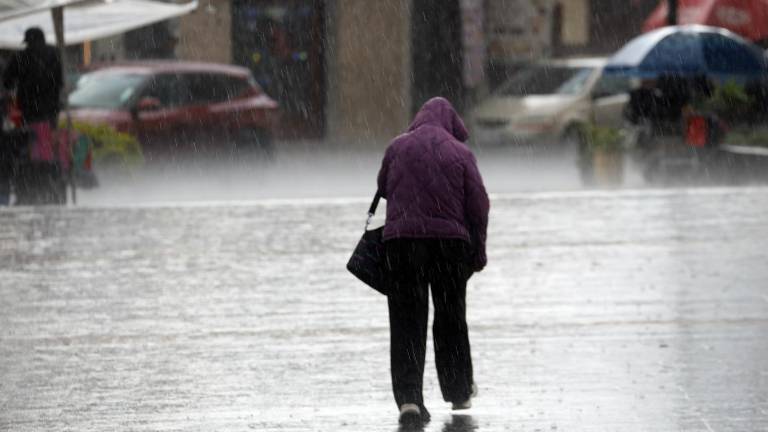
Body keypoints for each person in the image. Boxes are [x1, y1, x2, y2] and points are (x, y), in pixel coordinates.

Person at [376, 97, 489, 426]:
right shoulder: (461, 153)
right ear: (451, 124)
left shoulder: (397, 147)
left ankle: (409, 399)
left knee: (406, 322)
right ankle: (458, 390)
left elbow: (383, 187)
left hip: (402, 245)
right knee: (450, 319)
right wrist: (478, 250)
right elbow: (479, 206)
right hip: (448, 247)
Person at [2, 27, 65, 205]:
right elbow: (60, 81)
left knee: (30, 146)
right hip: (50, 111)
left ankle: (32, 179)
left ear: (29, 41)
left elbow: (7, 81)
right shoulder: (54, 53)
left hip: (30, 111)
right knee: (46, 147)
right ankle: (46, 178)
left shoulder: (21, 56)